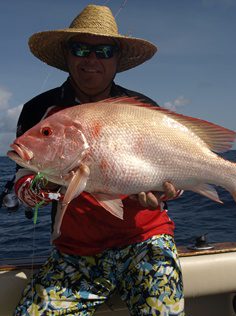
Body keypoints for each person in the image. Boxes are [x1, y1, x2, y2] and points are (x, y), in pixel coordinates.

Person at [14, 4, 184, 316]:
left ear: (118, 59)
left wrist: (164, 193)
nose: (91, 59)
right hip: (75, 252)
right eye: (80, 49)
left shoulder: (144, 109)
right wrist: (49, 182)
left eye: (104, 51)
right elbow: (22, 188)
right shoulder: (39, 110)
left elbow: (171, 174)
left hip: (144, 240)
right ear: (67, 55)